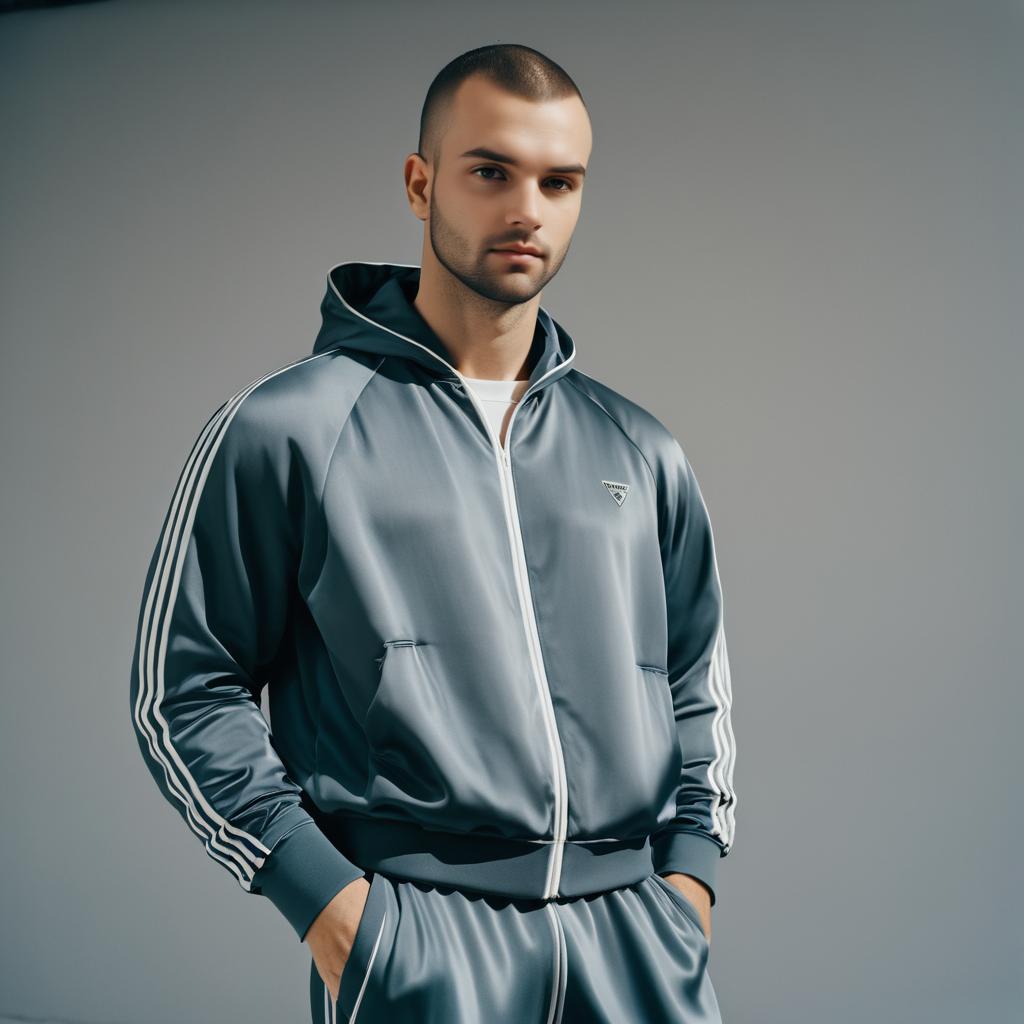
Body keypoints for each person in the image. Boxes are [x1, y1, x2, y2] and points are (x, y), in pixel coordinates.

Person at [128, 42, 737, 1023]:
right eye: (490, 171)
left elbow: (696, 682)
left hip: (638, 941)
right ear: (420, 185)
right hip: (421, 940)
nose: (526, 208)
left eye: (559, 180)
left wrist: (690, 886)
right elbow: (183, 690)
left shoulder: (639, 445)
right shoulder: (291, 427)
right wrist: (331, 908)